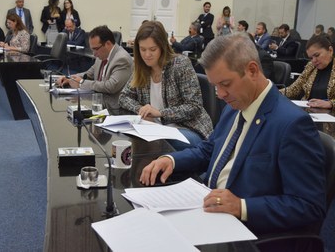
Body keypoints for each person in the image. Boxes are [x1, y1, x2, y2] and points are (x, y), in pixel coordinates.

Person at [140, 33, 326, 237]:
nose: (219, 94)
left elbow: (309, 206)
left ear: (252, 70)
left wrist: (242, 206)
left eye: (225, 84)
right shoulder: (234, 106)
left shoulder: (292, 124)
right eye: (215, 86)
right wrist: (171, 160)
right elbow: (209, 149)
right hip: (206, 211)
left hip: (247, 233)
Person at [119, 21, 213, 150]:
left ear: (162, 46)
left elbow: (194, 106)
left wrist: (160, 113)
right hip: (156, 128)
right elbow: (124, 97)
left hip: (189, 128)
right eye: (142, 49)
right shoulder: (142, 68)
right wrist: (142, 110)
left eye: (152, 49)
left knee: (156, 141)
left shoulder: (180, 64)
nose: (147, 55)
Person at [56, 25, 133, 110]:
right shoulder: (101, 56)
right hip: (99, 103)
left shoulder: (122, 59)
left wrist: (81, 83)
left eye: (96, 49)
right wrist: (69, 78)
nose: (94, 54)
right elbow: (88, 74)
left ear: (107, 44)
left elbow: (111, 86)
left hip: (115, 109)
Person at [280, 35, 335, 109]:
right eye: (311, 58)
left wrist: (330, 103)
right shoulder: (311, 66)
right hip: (309, 113)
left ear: (330, 51)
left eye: (317, 55)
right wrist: (273, 93)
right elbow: (294, 89)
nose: (314, 60)